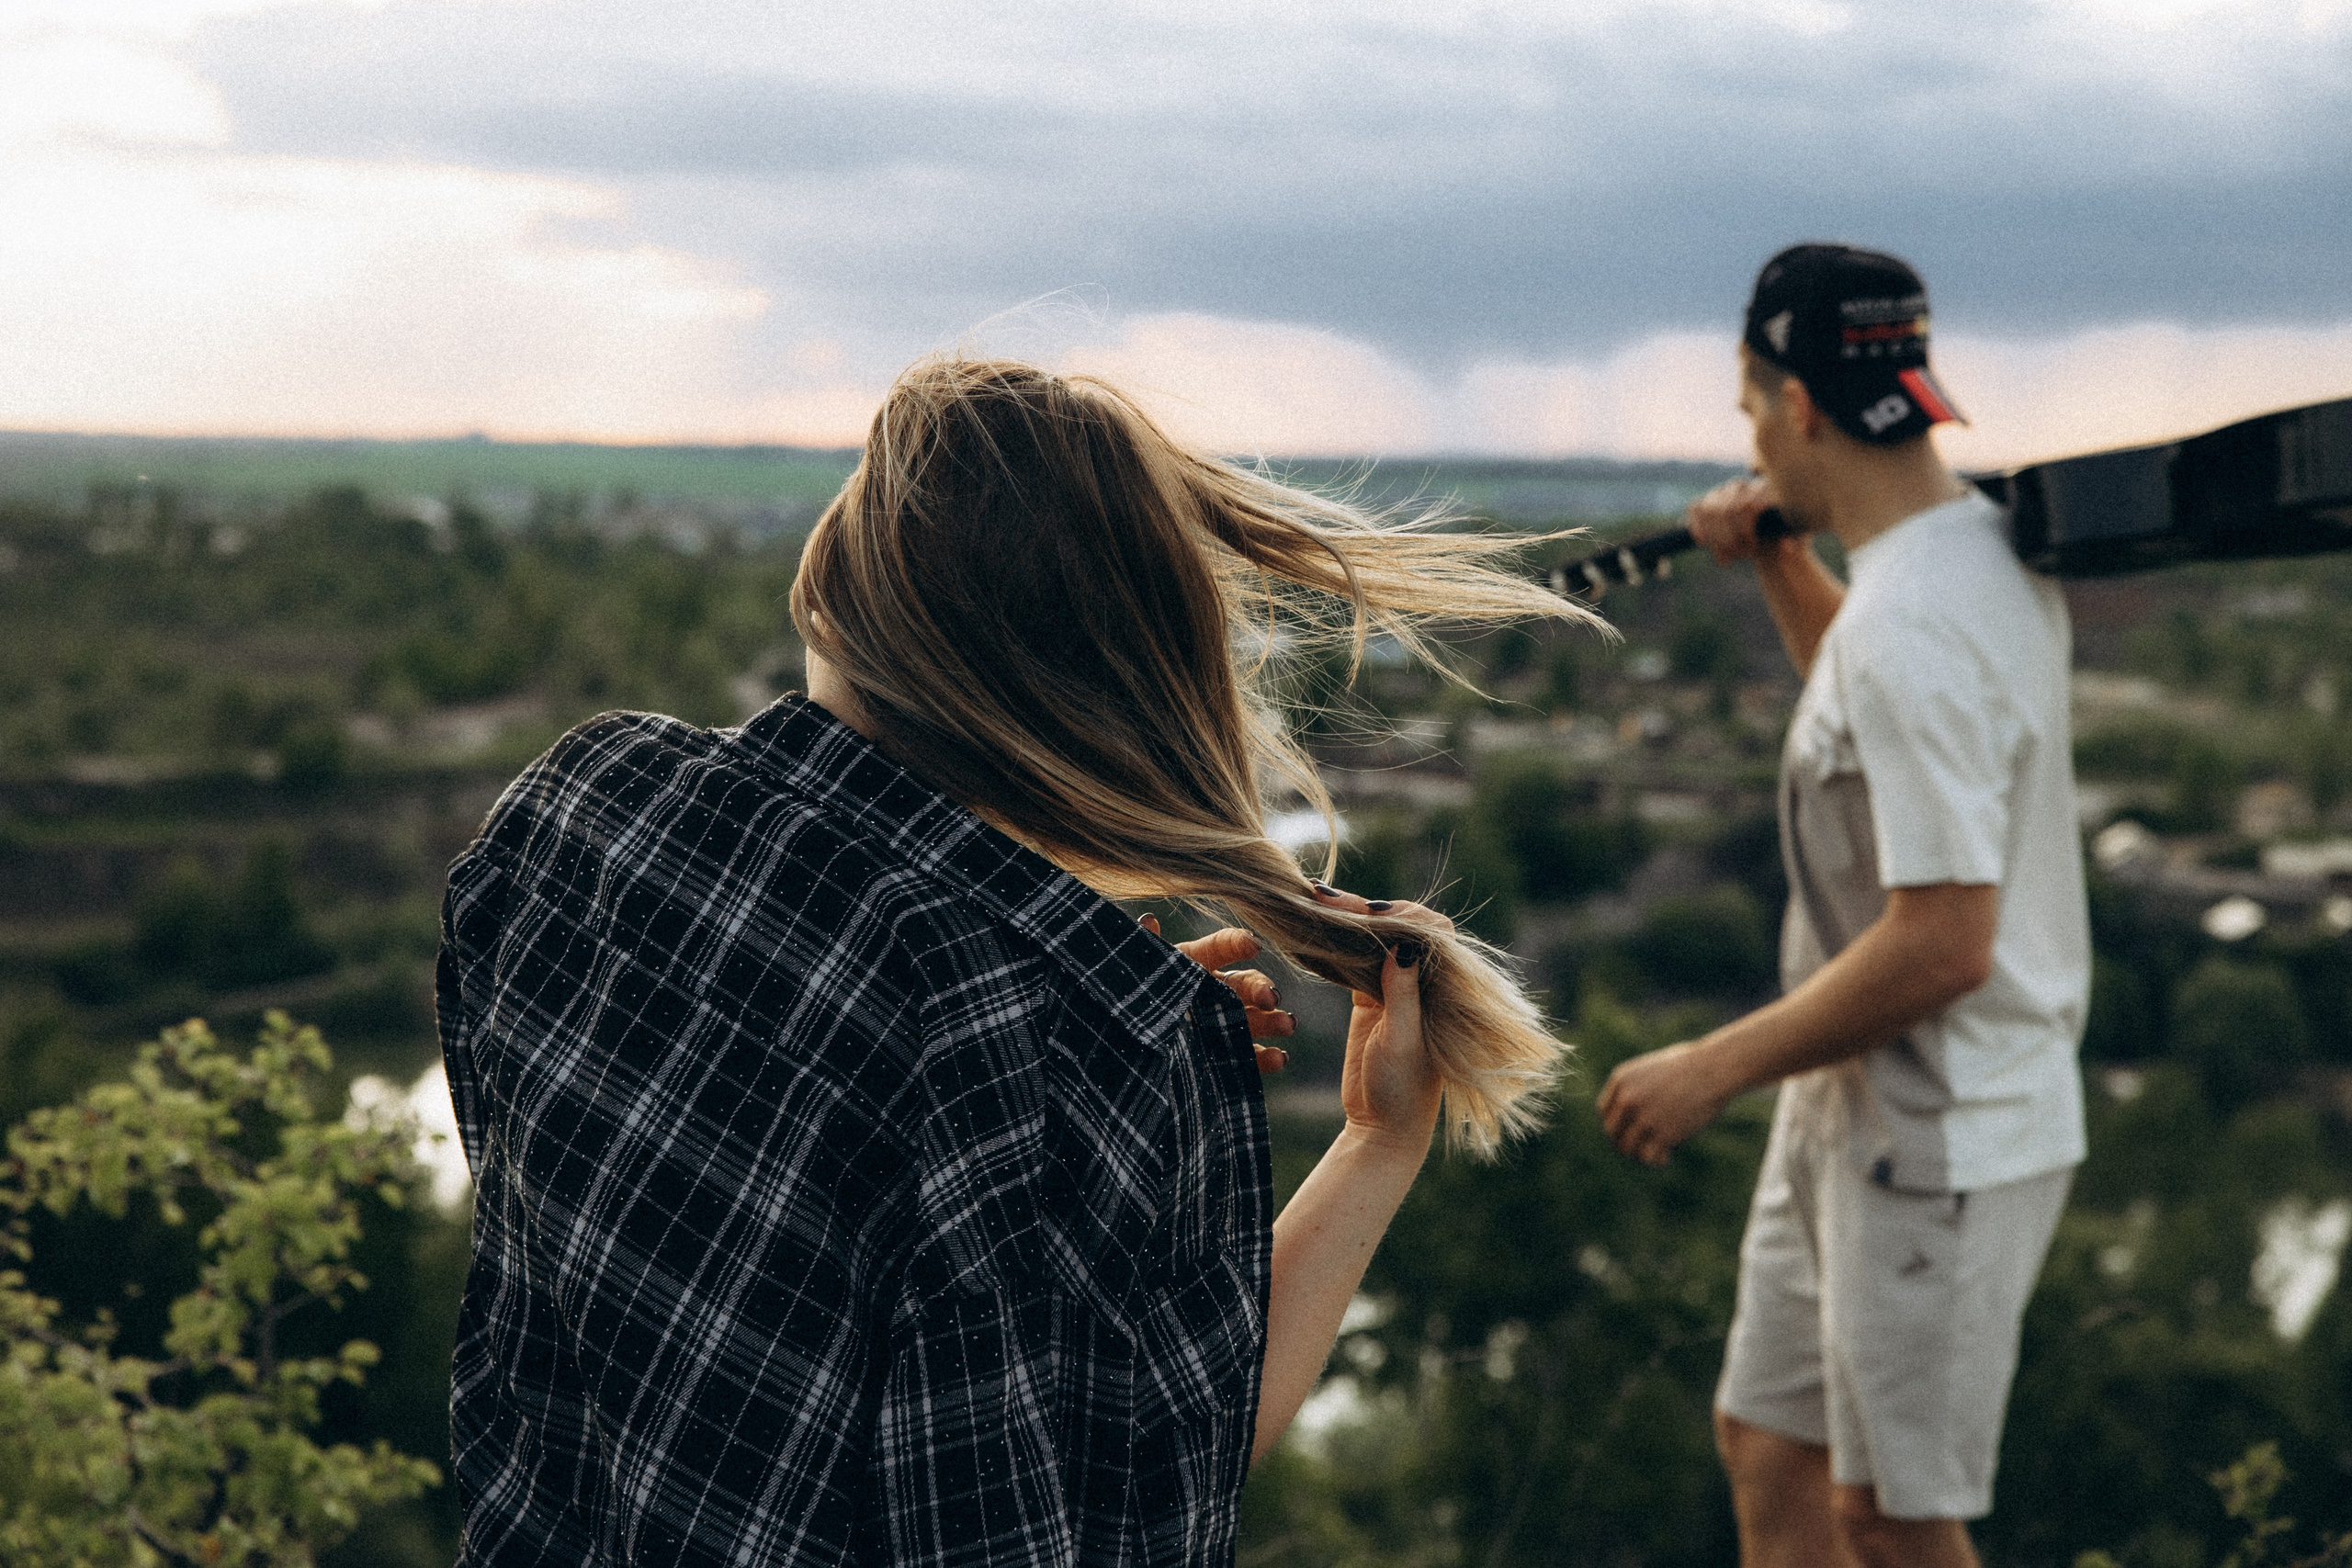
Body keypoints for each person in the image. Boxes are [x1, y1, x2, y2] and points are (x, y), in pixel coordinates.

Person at [435, 357, 1595, 1566]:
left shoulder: (581, 808)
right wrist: (1374, 1142)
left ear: (832, 586)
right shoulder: (1039, 1050)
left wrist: (1058, 1034)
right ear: (1096, 703)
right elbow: (1140, 1496)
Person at [1596, 244, 2088, 1568]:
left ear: (1801, 406)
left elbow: (1947, 945)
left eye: (1751, 409)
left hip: (1943, 1134)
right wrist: (1781, 562)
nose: (1751, 440)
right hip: (1853, 1100)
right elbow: (1870, 718)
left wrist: (1710, 1066)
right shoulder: (1970, 552)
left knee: (1891, 1525)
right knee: (1773, 1451)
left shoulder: (1912, 621)